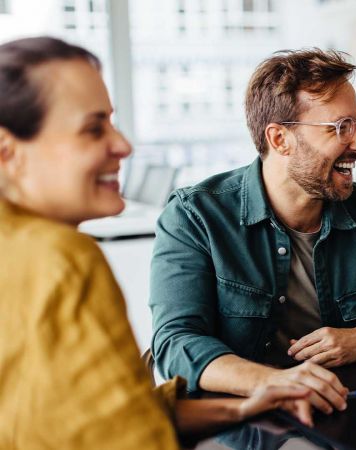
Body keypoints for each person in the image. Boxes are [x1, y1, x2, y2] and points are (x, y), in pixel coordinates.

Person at [0, 37, 316, 449]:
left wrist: (240, 408)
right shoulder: (62, 258)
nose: (123, 145)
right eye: (93, 129)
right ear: (8, 153)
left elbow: (87, 415)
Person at [149, 48, 356, 414]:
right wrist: (273, 381)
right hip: (240, 419)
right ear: (280, 139)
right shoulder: (194, 215)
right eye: (342, 127)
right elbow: (176, 343)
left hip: (348, 409)